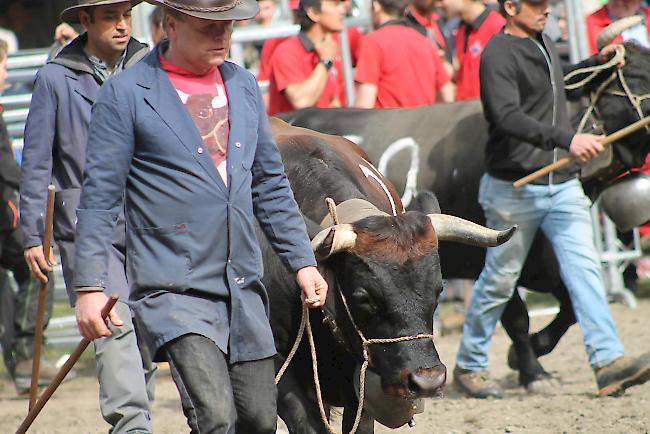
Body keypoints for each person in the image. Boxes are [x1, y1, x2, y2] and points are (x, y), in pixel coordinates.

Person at [73, 1, 328, 432]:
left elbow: (269, 184)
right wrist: (89, 287)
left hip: (244, 284)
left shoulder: (243, 84)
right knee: (214, 415)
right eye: (208, 26)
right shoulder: (128, 93)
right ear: (171, 24)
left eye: (227, 25)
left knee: (260, 420)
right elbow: (100, 197)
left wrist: (302, 261)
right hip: (175, 286)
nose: (222, 35)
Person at [453, 0, 650, 399]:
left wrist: (600, 63)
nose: (548, 11)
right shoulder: (497, 53)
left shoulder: (543, 41)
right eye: (538, 4)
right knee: (498, 283)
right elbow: (506, 116)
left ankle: (608, 362)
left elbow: (559, 87)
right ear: (511, 7)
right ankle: (469, 366)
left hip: (561, 185)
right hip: (515, 187)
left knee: (585, 272)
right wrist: (568, 139)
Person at [19, 1, 155, 432]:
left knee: (149, 338)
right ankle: (131, 426)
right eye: (110, 17)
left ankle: (140, 415)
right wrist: (30, 234)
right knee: (112, 327)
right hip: (87, 229)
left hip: (152, 221)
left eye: (126, 16)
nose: (121, 25)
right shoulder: (55, 78)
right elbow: (37, 163)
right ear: (85, 21)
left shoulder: (150, 66)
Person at [0, 39, 57, 395]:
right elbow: (6, 169)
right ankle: (24, 355)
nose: (5, 73)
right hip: (3, 220)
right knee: (39, 265)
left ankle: (20, 361)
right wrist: (33, 183)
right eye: (2, 65)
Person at [354, 0, 454, 108]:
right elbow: (447, 94)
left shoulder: (373, 42)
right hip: (424, 121)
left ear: (376, 6)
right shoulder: (424, 41)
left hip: (390, 123)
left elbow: (364, 105)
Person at [267, 0, 347, 115]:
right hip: (295, 131)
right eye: (335, 5)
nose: (342, 10)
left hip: (324, 128)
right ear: (313, 13)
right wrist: (325, 62)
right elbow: (301, 102)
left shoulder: (331, 47)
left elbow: (334, 102)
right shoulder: (286, 52)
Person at [439, 0, 505, 100]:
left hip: (485, 111)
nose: (439, 4)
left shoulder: (497, 27)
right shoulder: (461, 30)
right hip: (465, 110)